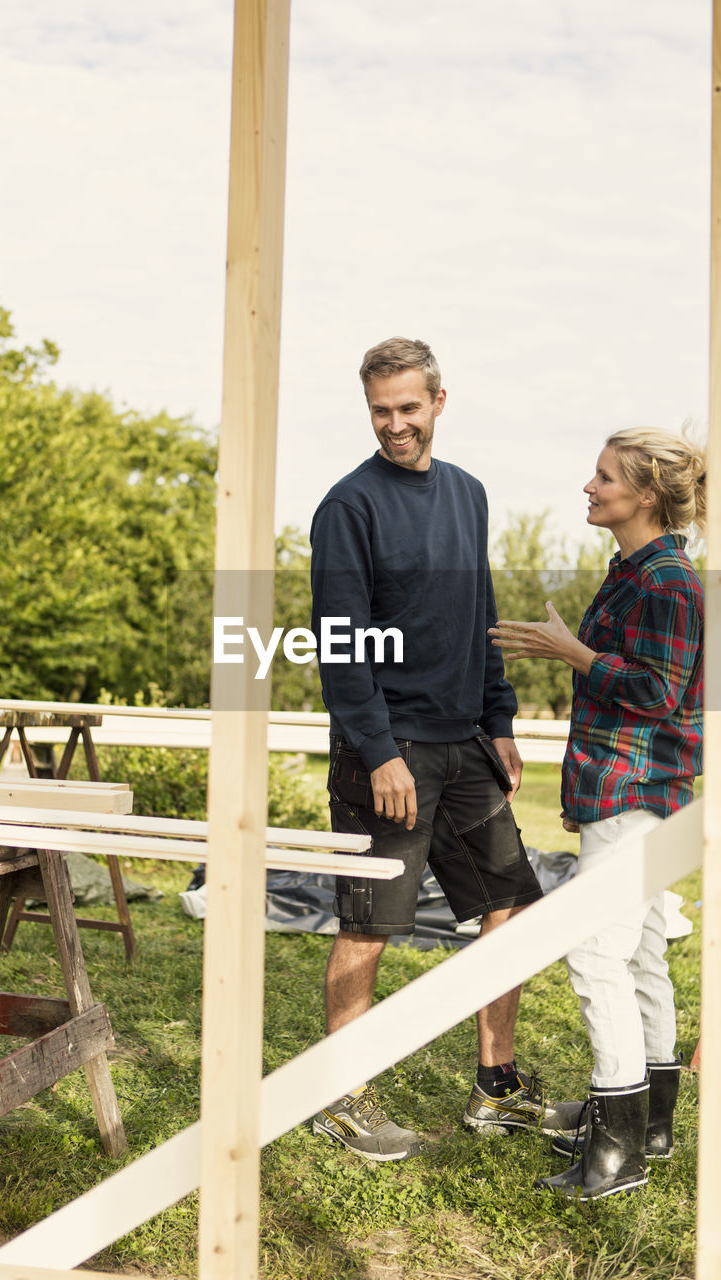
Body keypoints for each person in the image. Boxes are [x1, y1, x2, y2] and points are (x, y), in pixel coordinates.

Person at [309, 336, 568, 1161]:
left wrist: (500, 718)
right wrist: (379, 749)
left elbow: (477, 614)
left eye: (407, 408)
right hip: (386, 752)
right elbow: (340, 645)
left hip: (464, 746)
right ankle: (340, 1095)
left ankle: (497, 1089)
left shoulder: (468, 494)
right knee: (370, 925)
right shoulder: (348, 506)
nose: (394, 425)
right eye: (379, 411)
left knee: (511, 903)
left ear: (438, 403)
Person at [490, 427, 704, 1200]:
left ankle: (615, 1153)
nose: (588, 485)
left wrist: (569, 651)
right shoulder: (631, 571)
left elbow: (658, 692)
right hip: (623, 791)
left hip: (639, 795)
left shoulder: (667, 582)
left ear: (643, 494)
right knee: (641, 951)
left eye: (603, 475)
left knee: (594, 957)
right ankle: (644, 1120)